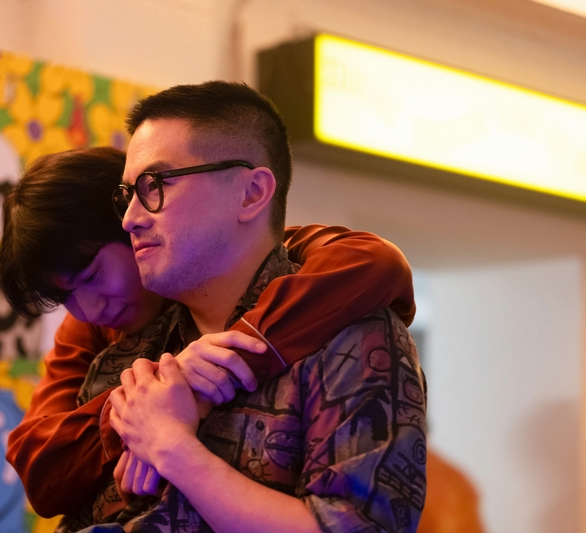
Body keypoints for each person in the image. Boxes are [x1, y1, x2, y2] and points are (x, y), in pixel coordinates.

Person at [64, 81, 428, 533]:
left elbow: (356, 527)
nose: (130, 219)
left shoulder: (353, 339)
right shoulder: (126, 359)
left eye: (154, 185)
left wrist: (172, 448)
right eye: (127, 195)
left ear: (252, 193)